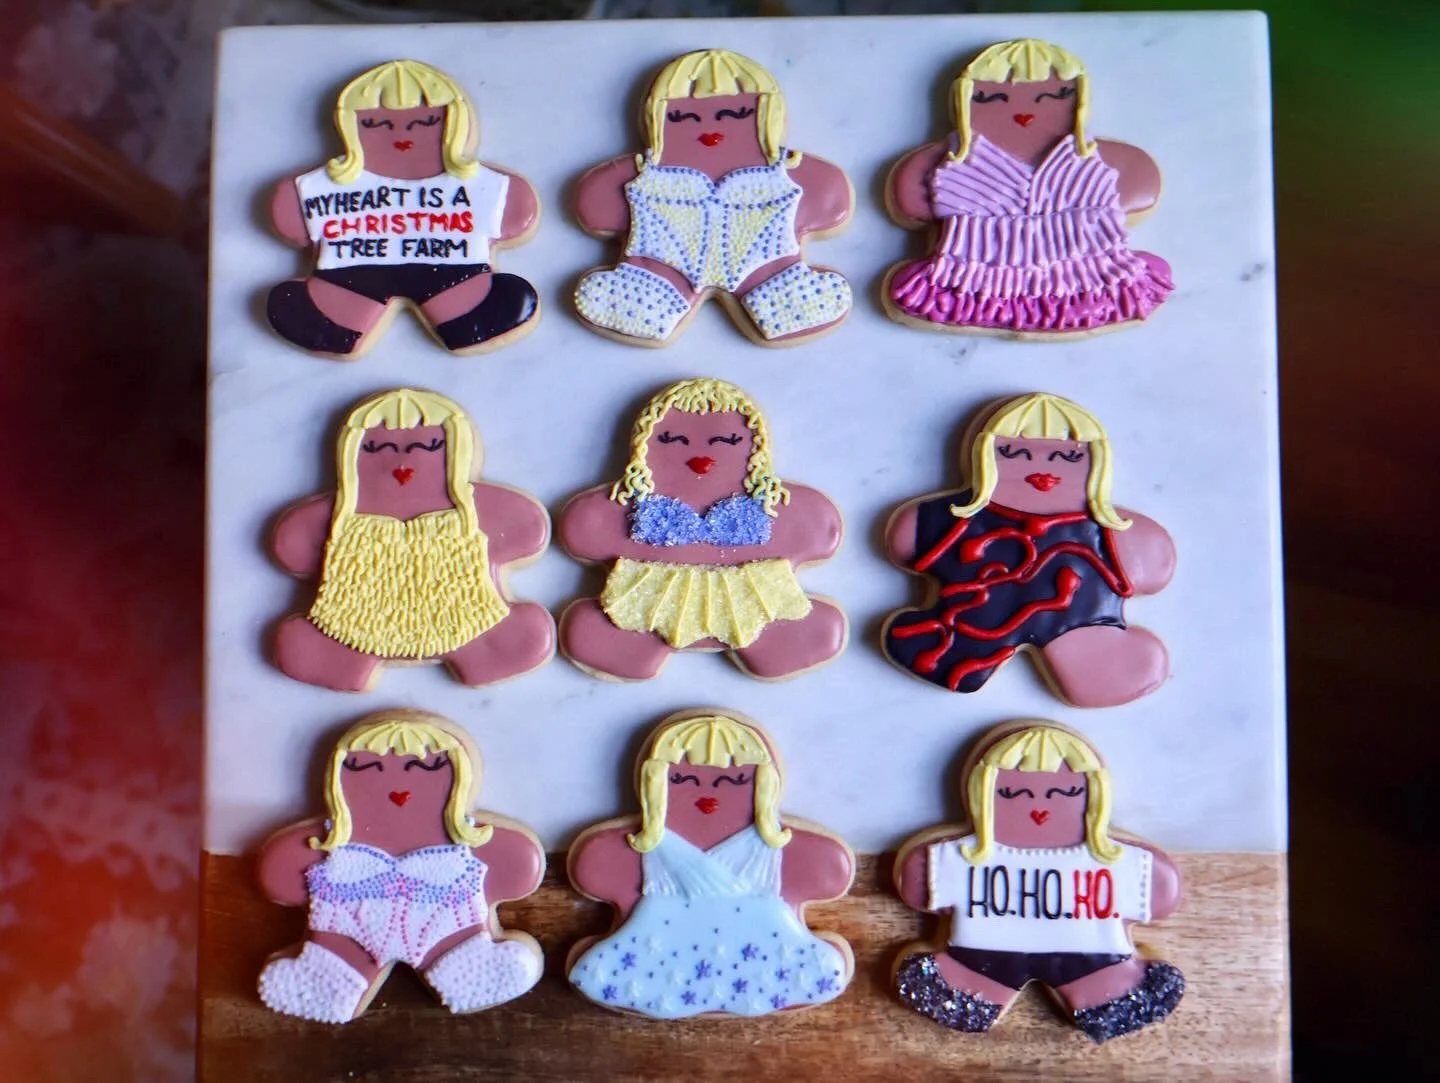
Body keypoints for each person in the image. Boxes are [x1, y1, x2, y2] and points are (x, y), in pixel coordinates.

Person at [893, 722, 1185, 1042]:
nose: (1039, 809)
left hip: (1094, 961)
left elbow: (1160, 894)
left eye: (1065, 793)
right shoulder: (959, 857)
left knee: (1115, 992)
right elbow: (917, 884)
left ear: (1094, 797)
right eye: (1012, 794)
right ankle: (965, 995)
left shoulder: (1119, 861)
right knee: (950, 986)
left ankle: (1113, 999)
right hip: (980, 959)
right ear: (983, 795)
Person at [883, 392, 1173, 706]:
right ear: (986, 456)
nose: (1042, 470)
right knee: (941, 655)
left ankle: (1098, 659)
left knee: (1101, 658)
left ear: (1097, 462)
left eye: (1069, 457)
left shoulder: (1114, 533)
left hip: (1080, 626)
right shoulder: (945, 522)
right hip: (965, 637)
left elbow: (1153, 569)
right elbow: (905, 543)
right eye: (1013, 453)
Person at [256, 712, 545, 1022]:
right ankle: (326, 984)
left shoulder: (464, 847)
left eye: (423, 768)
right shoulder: (327, 845)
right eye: (366, 768)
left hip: (452, 935)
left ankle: (476, 972)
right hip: (344, 936)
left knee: (469, 960)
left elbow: (520, 867)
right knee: (330, 968)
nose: (398, 788)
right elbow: (278, 875)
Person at [568, 711, 854, 1018]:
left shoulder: (776, 843)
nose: (708, 796)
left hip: (763, 952)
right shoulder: (643, 840)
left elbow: (830, 873)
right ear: (654, 784)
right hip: (663, 954)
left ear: (763, 785)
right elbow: (592, 869)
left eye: (733, 781)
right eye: (681, 779)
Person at [558, 377, 846, 680]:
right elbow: (584, 533)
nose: (701, 456)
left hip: (753, 592)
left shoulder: (773, 503)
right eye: (672, 441)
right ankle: (623, 652)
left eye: (726, 442)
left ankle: (782, 648)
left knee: (791, 625)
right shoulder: (630, 503)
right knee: (610, 625)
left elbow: (816, 528)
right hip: (651, 592)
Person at [271, 388, 554, 690]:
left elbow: (527, 531)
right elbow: (292, 547)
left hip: (469, 626)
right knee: (303, 644)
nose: (402, 464)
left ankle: (489, 657)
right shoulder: (338, 514)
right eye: (376, 449)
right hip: (352, 632)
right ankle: (341, 665)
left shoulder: (474, 505)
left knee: (528, 637)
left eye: (431, 445)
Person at [885, 38, 1172, 336]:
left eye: (1055, 96)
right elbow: (911, 205)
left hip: (1090, 278)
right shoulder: (948, 159)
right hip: (976, 284)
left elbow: (1139, 187)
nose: (1024, 114)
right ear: (964, 101)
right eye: (991, 99)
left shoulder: (1097, 155)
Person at [574, 49, 852, 345]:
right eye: (682, 118)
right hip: (660, 274)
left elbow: (833, 201)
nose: (710, 129)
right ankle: (643, 307)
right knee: (630, 307)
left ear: (767, 116)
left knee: (798, 306)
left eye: (736, 115)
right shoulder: (645, 173)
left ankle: (788, 305)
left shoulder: (784, 171)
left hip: (768, 272)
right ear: (657, 119)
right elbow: (594, 209)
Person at [267, 59, 540, 357]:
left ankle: (473, 317)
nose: (402, 135)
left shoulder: (486, 186)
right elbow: (290, 220)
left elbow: (515, 217)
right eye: (374, 124)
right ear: (349, 127)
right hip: (349, 277)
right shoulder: (320, 187)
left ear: (453, 122)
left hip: (455, 274)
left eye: (426, 122)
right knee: (322, 320)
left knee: (486, 311)